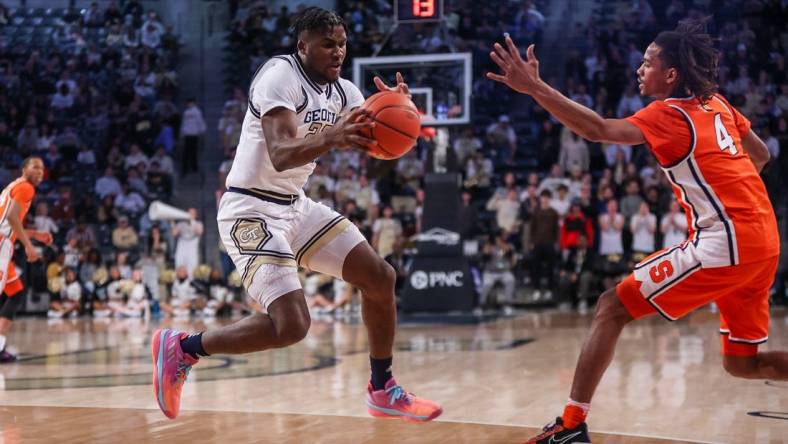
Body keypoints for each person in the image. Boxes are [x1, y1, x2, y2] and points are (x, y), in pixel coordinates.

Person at [488, 19, 784, 443]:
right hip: (764, 241)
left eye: (647, 63)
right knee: (742, 364)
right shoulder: (716, 103)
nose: (638, 70)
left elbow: (597, 130)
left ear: (671, 74)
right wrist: (730, 191)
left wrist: (536, 88)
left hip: (729, 243)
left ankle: (571, 427)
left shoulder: (669, 113)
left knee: (612, 306)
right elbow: (760, 153)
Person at [151, 7, 442, 422]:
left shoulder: (346, 94)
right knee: (291, 326)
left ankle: (382, 387)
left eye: (342, 43)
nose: (338, 52)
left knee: (380, 277)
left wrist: (398, 121)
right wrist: (334, 135)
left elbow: (375, 161)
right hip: (248, 210)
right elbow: (282, 153)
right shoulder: (279, 76)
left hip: (295, 205)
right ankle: (184, 348)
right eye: (328, 44)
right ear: (303, 46)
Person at [0, 157, 52, 363]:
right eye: (35, 167)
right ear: (24, 169)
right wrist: (29, 246)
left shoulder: (14, 186)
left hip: (5, 242)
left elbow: (8, 221)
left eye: (43, 168)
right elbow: (12, 218)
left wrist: (35, 235)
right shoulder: (26, 188)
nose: (40, 171)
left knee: (16, 292)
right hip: (1, 245)